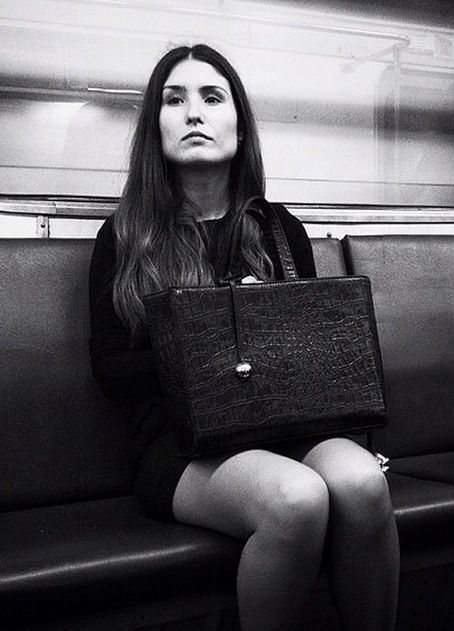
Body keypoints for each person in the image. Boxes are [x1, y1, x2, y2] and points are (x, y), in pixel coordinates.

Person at [88, 44, 399, 631]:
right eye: (174, 100)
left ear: (239, 122)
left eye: (212, 98)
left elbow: (314, 357)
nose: (194, 113)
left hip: (283, 424)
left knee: (361, 483)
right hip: (177, 444)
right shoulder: (126, 235)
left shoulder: (278, 229)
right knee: (295, 498)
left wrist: (267, 333)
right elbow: (110, 371)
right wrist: (218, 340)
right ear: (155, 125)